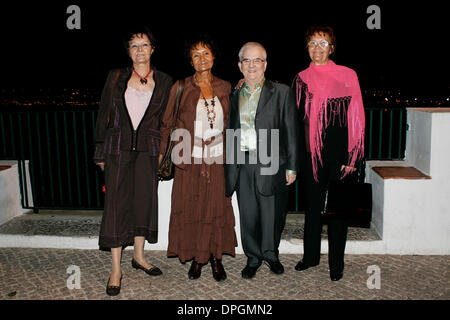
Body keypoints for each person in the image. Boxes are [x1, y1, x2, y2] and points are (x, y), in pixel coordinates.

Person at [93, 26, 173, 296]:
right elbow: (104, 114)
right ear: (129, 51)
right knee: (116, 205)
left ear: (153, 49)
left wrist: (164, 152)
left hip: (149, 152)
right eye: (134, 45)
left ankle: (139, 257)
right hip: (117, 150)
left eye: (144, 45)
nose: (140, 50)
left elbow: (167, 122)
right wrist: (100, 152)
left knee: (144, 203)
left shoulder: (164, 80)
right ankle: (116, 268)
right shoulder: (115, 77)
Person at [159, 36, 237, 281]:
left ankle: (215, 258)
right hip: (189, 160)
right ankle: (195, 258)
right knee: (191, 208)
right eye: (196, 54)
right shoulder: (180, 87)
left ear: (214, 57)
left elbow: (233, 123)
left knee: (216, 209)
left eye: (206, 53)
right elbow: (167, 123)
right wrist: (162, 154)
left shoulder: (225, 86)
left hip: (216, 159)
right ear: (190, 61)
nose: (201, 58)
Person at [293, 26, 365, 281]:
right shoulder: (300, 78)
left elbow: (357, 116)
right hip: (311, 156)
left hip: (341, 156)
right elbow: (294, 118)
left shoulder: (348, 75)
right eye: (312, 43)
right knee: (312, 210)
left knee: (338, 212)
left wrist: (353, 157)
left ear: (332, 48)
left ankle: (337, 265)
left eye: (323, 43)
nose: (317, 48)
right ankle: (310, 258)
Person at [225, 42, 299, 279]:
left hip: (271, 161)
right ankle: (253, 257)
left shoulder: (282, 92)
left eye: (257, 60)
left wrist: (292, 165)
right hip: (242, 163)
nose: (252, 65)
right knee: (248, 214)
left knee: (272, 213)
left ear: (265, 64)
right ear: (239, 65)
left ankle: (271, 254)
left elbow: (291, 131)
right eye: (247, 60)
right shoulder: (233, 95)